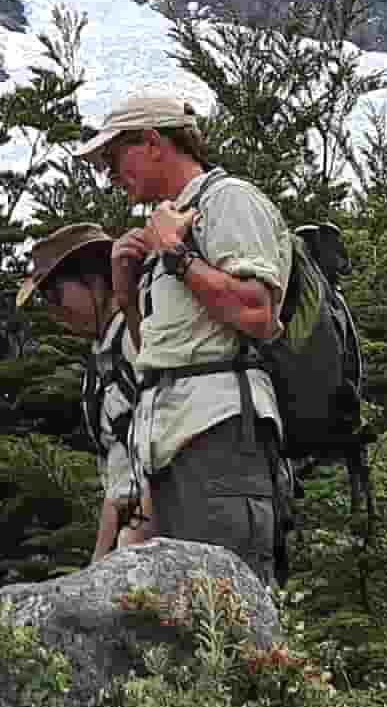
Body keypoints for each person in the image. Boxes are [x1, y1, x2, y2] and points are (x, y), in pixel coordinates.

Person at [78, 86, 293, 582]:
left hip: (218, 434)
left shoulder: (229, 201)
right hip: (169, 444)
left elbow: (258, 311)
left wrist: (175, 256)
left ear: (153, 142)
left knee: (225, 608)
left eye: (114, 157)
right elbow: (160, 354)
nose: (111, 174)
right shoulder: (168, 225)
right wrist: (128, 295)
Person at [16, 223, 151, 557]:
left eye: (54, 294)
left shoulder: (136, 339)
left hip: (151, 526)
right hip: (137, 527)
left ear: (93, 279)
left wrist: (103, 558)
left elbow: (133, 475)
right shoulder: (103, 352)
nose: (53, 310)